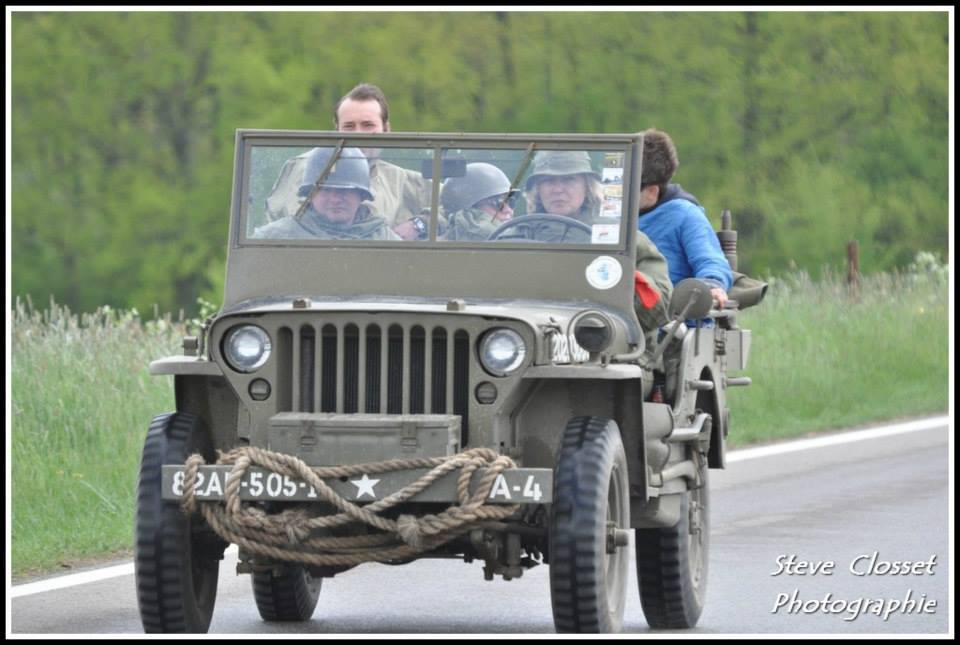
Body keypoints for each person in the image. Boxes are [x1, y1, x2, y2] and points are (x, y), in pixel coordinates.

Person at [523, 150, 673, 332]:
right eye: (548, 181)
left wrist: (617, 275)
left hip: (608, 347)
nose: (557, 189)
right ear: (537, 189)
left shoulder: (620, 237)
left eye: (569, 179)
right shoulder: (518, 234)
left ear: (587, 186)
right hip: (521, 343)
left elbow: (658, 309)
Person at [264, 83, 433, 240]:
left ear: (386, 130)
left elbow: (452, 207)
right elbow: (276, 224)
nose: (358, 134)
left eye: (368, 125)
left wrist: (420, 224)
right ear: (337, 130)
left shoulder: (402, 180)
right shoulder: (305, 167)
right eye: (349, 127)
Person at [637, 129, 732, 308]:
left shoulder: (685, 215)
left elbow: (710, 260)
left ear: (652, 192)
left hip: (668, 322)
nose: (618, 193)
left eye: (629, 186)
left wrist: (711, 285)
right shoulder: (607, 216)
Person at [253, 147, 400, 241]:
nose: (335, 199)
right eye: (326, 190)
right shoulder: (274, 238)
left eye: (345, 191)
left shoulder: (386, 240)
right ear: (311, 194)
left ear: (361, 195)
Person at [440, 162, 517, 241]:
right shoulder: (440, 249)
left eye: (511, 202)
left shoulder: (519, 240)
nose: (508, 210)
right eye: (499, 203)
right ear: (468, 214)